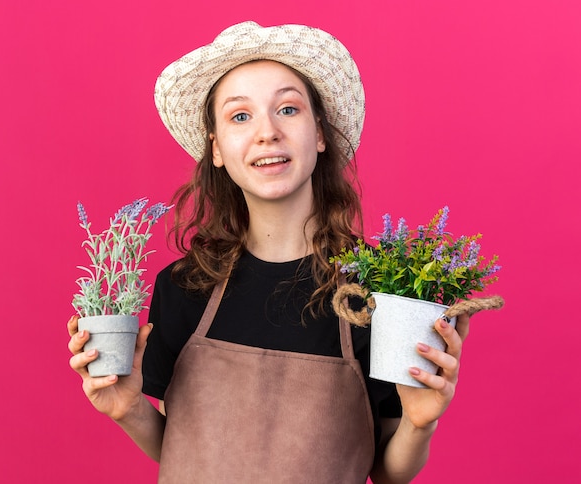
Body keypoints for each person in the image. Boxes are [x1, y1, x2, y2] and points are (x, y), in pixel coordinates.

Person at [68, 21, 470, 483]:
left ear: (320, 134)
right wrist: (128, 410)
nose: (267, 133)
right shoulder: (183, 287)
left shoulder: (375, 294)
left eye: (287, 109)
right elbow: (185, 449)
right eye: (241, 116)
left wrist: (420, 423)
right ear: (217, 149)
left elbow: (387, 471)